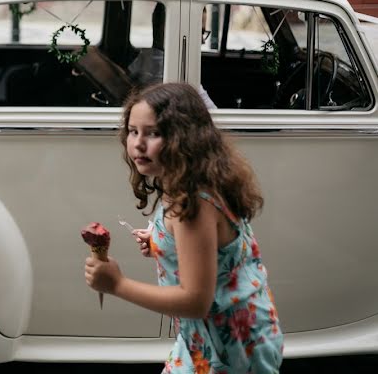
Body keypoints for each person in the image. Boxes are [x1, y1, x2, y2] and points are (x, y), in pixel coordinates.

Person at [85, 83, 283, 373]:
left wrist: (117, 284)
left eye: (153, 133)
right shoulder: (195, 181)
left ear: (183, 138)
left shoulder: (190, 204)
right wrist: (159, 242)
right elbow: (212, 252)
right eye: (133, 131)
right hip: (228, 330)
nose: (138, 143)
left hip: (225, 345)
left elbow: (194, 301)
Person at [127, 4, 217, 109]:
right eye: (199, 32)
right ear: (169, 29)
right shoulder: (173, 72)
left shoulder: (143, 61)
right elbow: (212, 114)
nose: (203, 41)